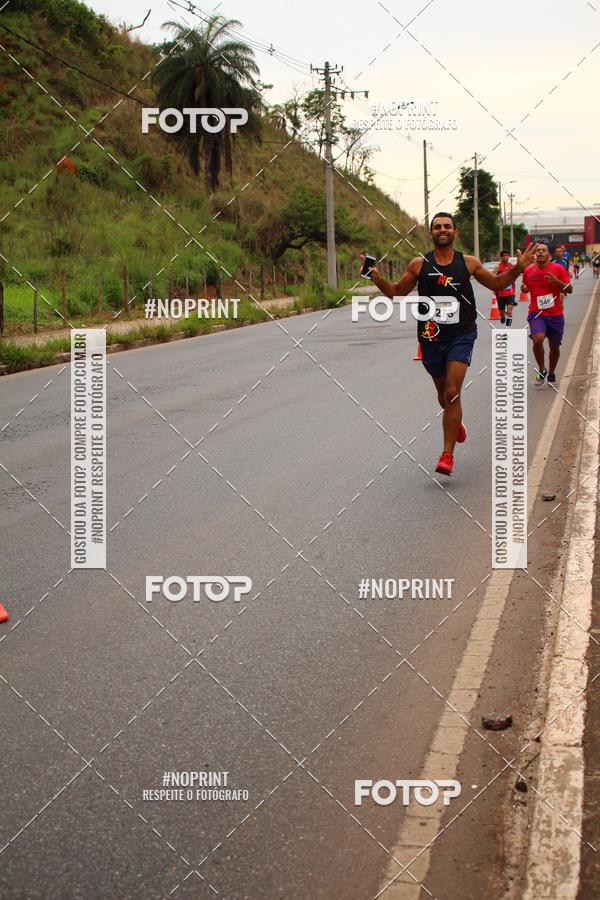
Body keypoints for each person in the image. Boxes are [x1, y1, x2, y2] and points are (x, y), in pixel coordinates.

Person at [362, 213, 538, 476]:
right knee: (444, 395)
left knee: (452, 392)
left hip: (462, 334)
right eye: (437, 227)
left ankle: (447, 455)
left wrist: (519, 267)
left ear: (455, 232)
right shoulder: (419, 265)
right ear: (431, 233)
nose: (442, 230)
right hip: (431, 337)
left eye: (447, 226)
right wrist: (375, 276)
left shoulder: (468, 263)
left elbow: (499, 284)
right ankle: (455, 423)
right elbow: (396, 292)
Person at [522, 243, 573, 385]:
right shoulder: (529, 271)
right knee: (537, 339)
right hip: (536, 313)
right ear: (534, 254)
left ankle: (551, 372)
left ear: (548, 254)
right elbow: (525, 287)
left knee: (554, 347)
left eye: (543, 250)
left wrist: (557, 282)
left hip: (555, 314)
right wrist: (524, 288)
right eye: (537, 250)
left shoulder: (558, 268)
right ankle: (542, 369)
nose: (540, 252)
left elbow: (569, 289)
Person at [494, 249, 516, 325]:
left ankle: (508, 326)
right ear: (501, 257)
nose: (505, 257)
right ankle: (503, 316)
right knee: (501, 312)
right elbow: (492, 276)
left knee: (510, 310)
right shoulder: (498, 267)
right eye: (503, 256)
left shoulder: (511, 266)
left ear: (509, 256)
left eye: (506, 255)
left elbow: (515, 275)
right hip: (500, 293)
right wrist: (501, 276)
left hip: (510, 292)